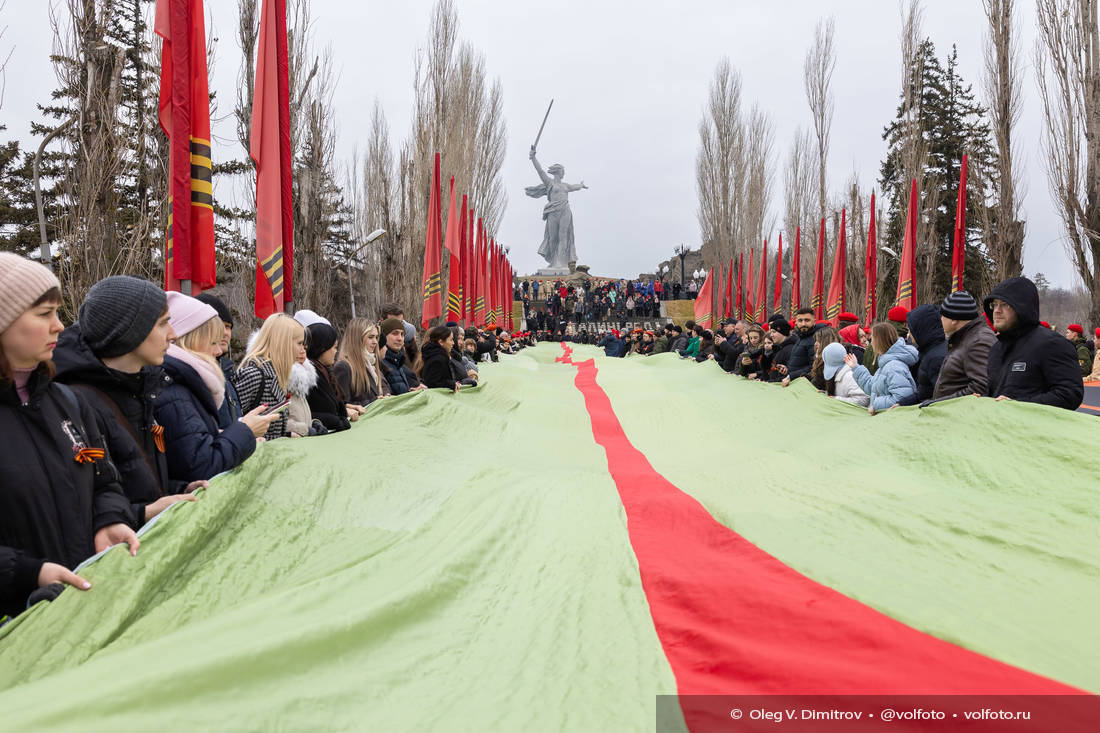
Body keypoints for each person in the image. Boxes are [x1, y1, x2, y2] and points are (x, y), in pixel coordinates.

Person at [0, 254, 139, 620]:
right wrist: (28, 573)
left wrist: (109, 519)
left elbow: (104, 480)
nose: (59, 326)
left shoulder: (68, 402)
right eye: (45, 314)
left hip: (85, 612)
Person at [54, 276, 201, 526]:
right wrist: (142, 514)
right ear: (130, 332)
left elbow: (136, 478)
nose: (173, 335)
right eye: (163, 324)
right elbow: (83, 510)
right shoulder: (78, 404)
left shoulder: (140, 389)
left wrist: (178, 490)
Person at [156, 293, 263, 482]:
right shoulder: (175, 392)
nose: (219, 350)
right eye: (213, 342)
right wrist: (245, 431)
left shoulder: (186, 384)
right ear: (190, 339)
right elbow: (200, 466)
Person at [983, 277, 1083, 410]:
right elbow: (997, 393)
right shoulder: (997, 348)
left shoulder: (1052, 344)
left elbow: (1069, 394)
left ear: (1022, 307)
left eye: (1004, 304)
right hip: (999, 428)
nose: (997, 310)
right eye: (994, 304)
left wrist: (1020, 405)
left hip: (1036, 429)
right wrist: (982, 400)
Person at [234, 313, 305, 440]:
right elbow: (229, 423)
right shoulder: (253, 376)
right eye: (299, 343)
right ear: (284, 343)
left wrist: (286, 436)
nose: (302, 349)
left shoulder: (277, 377)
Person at [932, 291, 996, 401]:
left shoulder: (978, 341)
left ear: (954, 319)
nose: (941, 319)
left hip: (959, 415)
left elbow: (981, 387)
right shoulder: (965, 337)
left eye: (943, 315)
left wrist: (940, 403)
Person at [847, 322, 919, 414]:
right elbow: (873, 387)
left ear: (879, 340)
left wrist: (875, 404)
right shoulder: (886, 364)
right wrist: (856, 368)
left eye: (873, 338)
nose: (871, 341)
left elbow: (902, 398)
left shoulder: (894, 367)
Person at [194, 292, 243, 427]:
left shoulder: (227, 372)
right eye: (219, 325)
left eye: (228, 327)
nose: (225, 333)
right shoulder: (191, 375)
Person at [304, 322, 361, 431]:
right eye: (334, 347)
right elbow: (305, 414)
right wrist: (337, 421)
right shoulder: (308, 377)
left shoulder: (325, 371)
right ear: (322, 348)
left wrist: (346, 407)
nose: (336, 352)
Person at [898, 304, 948, 406]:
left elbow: (942, 399)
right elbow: (924, 392)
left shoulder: (936, 358)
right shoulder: (930, 351)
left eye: (911, 329)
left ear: (920, 329)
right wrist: (901, 404)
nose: (909, 334)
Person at [334, 318, 388, 406]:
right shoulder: (344, 368)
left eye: (376, 337)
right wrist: (374, 402)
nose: (375, 342)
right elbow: (342, 407)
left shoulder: (371, 365)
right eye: (370, 337)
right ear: (357, 339)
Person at [379, 317, 424, 395]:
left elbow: (400, 394)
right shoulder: (380, 363)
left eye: (402, 334)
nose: (400, 338)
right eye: (395, 333)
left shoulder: (398, 362)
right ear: (383, 336)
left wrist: (413, 392)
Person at [782, 308, 825, 386]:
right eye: (800, 320)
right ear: (796, 322)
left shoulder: (815, 339)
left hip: (806, 385)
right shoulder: (801, 337)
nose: (803, 324)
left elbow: (814, 367)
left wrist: (791, 376)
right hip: (795, 382)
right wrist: (787, 369)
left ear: (814, 321)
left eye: (807, 320)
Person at [822, 342, 869, 407]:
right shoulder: (838, 373)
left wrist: (836, 399)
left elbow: (864, 399)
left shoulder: (850, 376)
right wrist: (825, 394)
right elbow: (840, 393)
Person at [420, 326, 461, 390]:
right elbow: (433, 383)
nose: (453, 343)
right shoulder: (438, 359)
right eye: (451, 340)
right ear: (441, 342)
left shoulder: (433, 354)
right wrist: (452, 384)